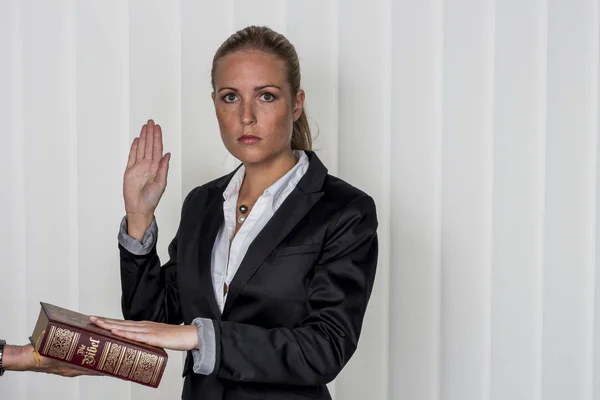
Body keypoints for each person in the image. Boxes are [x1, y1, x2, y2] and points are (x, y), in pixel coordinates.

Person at [1, 26, 378, 400]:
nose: (246, 116)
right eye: (230, 97)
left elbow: (325, 347)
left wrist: (198, 336)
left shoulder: (345, 210)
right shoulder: (203, 202)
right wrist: (139, 218)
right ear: (215, 103)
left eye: (266, 96)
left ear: (296, 104)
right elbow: (152, 318)